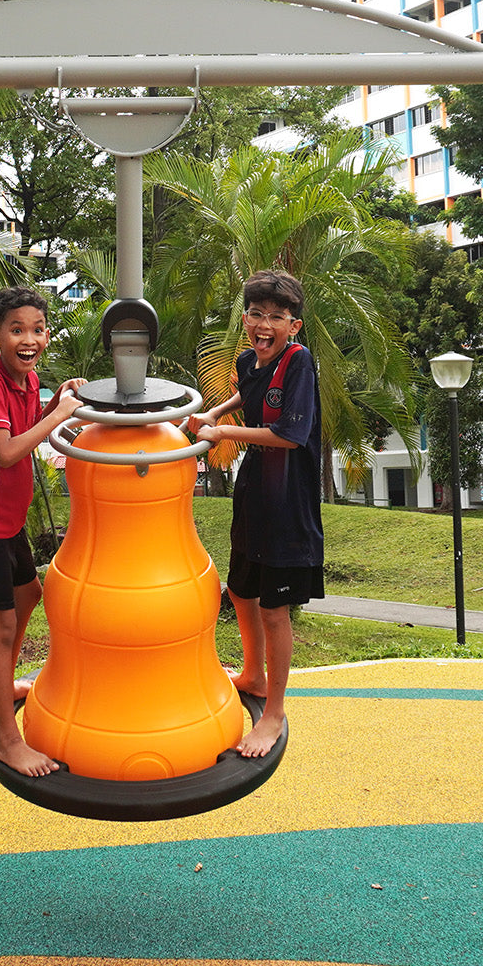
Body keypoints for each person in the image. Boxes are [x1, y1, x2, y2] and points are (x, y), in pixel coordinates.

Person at [185, 270, 324, 758]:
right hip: (255, 495)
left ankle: (275, 712)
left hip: (289, 503)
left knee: (273, 608)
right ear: (245, 318)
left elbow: (289, 434)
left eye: (277, 318)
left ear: (295, 326)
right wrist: (216, 413)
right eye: (257, 315)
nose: (265, 325)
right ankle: (254, 675)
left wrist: (223, 435)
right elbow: (249, 388)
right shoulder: (250, 358)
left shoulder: (300, 364)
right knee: (242, 590)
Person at [0, 286, 85, 777]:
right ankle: (9, 739)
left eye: (38, 330)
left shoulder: (28, 382)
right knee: (1, 625)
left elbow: (39, 426)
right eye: (17, 330)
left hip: (8, 522)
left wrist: (60, 401)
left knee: (28, 595)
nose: (29, 339)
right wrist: (58, 415)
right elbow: (7, 451)